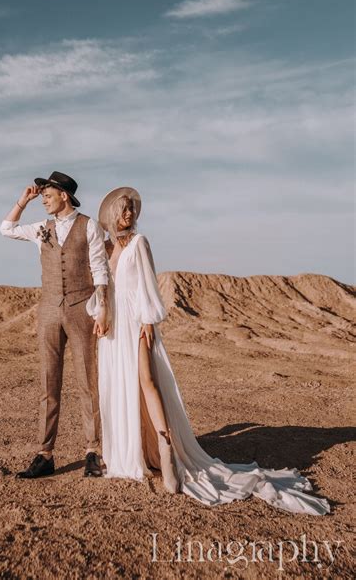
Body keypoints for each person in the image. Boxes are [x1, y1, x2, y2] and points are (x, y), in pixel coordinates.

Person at [87, 186, 330, 515]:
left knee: (147, 381)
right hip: (113, 330)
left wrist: (147, 320)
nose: (128, 214)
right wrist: (99, 315)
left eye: (131, 208)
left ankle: (167, 449)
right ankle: (134, 453)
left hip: (136, 323)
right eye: (123, 209)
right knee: (119, 388)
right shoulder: (106, 248)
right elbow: (101, 287)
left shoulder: (140, 243)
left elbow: (147, 283)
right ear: (112, 215)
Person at [0, 171, 109, 479]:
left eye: (48, 195)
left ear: (64, 195)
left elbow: (99, 269)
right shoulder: (40, 229)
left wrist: (101, 309)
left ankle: (93, 451)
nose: (43, 199)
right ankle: (44, 454)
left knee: (88, 382)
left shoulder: (90, 226)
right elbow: (6, 228)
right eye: (42, 195)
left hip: (81, 309)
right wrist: (23, 200)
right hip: (48, 309)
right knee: (49, 382)